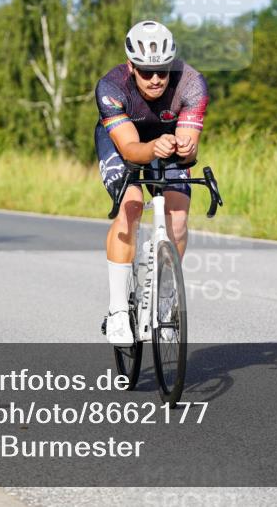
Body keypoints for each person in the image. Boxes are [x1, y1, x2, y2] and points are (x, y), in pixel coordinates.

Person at [95, 21, 209, 345]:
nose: (156, 78)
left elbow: (189, 148)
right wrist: (152, 148)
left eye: (162, 70)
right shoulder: (111, 87)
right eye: (146, 71)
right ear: (131, 67)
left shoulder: (191, 84)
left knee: (180, 215)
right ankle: (118, 311)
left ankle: (166, 299)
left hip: (165, 142)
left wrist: (185, 149)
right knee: (130, 208)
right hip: (123, 141)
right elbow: (131, 149)